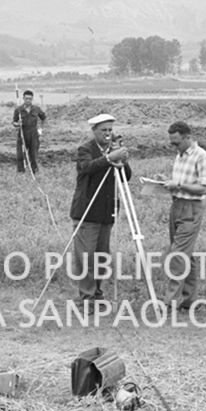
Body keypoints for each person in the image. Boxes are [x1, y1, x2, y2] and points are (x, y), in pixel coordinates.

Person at [68, 113, 131, 305]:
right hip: (88, 212)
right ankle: (86, 297)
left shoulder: (114, 149)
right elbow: (87, 167)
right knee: (85, 257)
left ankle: (97, 292)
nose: (107, 134)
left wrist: (123, 161)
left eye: (110, 130)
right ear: (94, 131)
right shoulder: (85, 150)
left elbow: (125, 177)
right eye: (103, 130)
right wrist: (109, 158)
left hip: (107, 212)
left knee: (102, 256)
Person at [158, 121, 206, 310]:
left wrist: (178, 185)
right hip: (177, 205)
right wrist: (167, 183)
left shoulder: (202, 156)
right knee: (185, 255)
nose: (174, 146)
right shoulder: (180, 155)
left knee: (178, 255)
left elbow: (204, 187)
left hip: (191, 207)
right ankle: (189, 300)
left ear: (188, 137)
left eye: (177, 142)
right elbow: (180, 183)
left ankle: (169, 302)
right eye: (172, 143)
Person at [12, 89, 47, 175]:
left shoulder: (36, 109)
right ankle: (20, 173)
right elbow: (14, 122)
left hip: (33, 134)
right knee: (20, 155)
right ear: (23, 98)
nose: (28, 100)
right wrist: (17, 124)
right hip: (22, 134)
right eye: (26, 98)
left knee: (33, 155)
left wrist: (40, 129)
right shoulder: (18, 110)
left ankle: (34, 172)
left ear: (32, 99)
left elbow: (44, 118)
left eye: (30, 99)